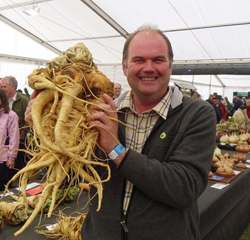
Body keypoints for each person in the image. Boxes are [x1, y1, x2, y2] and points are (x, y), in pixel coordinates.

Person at [25, 25, 216, 239]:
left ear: (170, 67)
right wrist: (46, 128)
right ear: (125, 67)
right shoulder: (99, 110)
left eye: (158, 60)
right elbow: (73, 169)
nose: (148, 67)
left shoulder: (196, 114)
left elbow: (184, 188)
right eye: (139, 60)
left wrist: (117, 151)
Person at [1, 76, 29, 170]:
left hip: (19, 138)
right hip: (5, 140)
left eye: (4, 87)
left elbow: (30, 118)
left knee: (19, 163)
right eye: (2, 87)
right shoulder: (3, 100)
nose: (2, 89)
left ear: (13, 87)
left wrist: (23, 132)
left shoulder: (23, 100)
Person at [0, 89, 20, 190]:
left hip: (4, 159)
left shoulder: (11, 116)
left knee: (3, 187)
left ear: (2, 99)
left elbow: (14, 138)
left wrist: (12, 157)